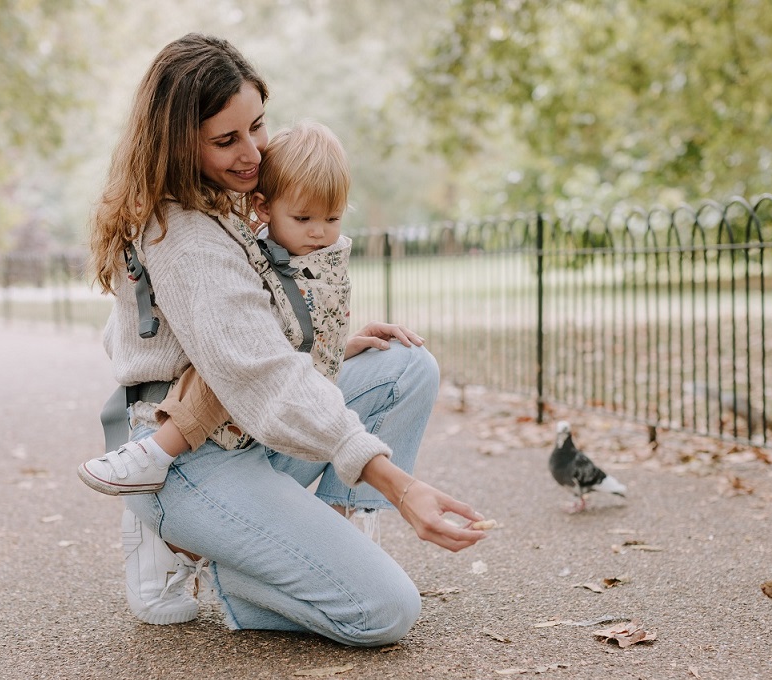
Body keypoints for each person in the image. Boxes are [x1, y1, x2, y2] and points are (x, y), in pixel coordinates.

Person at [88, 33, 486, 645]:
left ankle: (325, 529)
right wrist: (396, 485)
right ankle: (216, 562)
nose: (254, 152)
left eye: (257, 126)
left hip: (243, 431)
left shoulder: (226, 203)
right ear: (177, 143)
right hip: (191, 459)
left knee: (404, 366)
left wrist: (329, 344)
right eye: (227, 140)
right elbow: (262, 376)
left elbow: (249, 333)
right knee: (384, 612)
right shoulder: (187, 235)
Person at [77, 121, 416, 545]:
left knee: (408, 363)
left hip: (272, 399)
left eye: (332, 218)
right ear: (263, 208)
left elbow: (307, 332)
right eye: (304, 218)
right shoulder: (238, 248)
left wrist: (341, 347)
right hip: (228, 383)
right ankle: (157, 453)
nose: (319, 231)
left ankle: (342, 515)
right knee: (223, 372)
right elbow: (250, 348)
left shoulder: (326, 257)